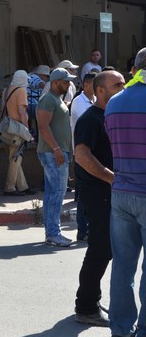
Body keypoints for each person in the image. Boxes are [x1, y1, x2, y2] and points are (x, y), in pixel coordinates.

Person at [73, 70, 125, 327]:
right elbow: (82, 155)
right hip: (98, 193)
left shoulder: (110, 116)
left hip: (109, 193)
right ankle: (86, 306)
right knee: (100, 248)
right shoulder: (91, 119)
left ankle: (91, 300)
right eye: (117, 85)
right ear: (100, 90)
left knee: (105, 249)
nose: (123, 88)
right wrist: (111, 178)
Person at [105, 47, 146, 337]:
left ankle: (120, 327)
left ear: (135, 70)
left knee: (122, 264)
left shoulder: (114, 103)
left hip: (121, 192)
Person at [36, 67, 76, 247]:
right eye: (66, 81)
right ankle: (53, 233)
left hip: (56, 152)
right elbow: (43, 127)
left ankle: (52, 233)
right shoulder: (48, 100)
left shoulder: (56, 99)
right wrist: (57, 149)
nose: (69, 84)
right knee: (57, 193)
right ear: (55, 82)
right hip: (53, 153)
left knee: (54, 193)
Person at [71, 72, 97, 242]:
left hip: (95, 155)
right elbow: (91, 125)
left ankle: (90, 228)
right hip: (82, 156)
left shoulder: (93, 101)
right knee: (84, 195)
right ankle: (82, 230)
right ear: (87, 85)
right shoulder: (79, 103)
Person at [1, 70, 33, 197]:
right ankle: (9, 188)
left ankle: (23, 186)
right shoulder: (21, 91)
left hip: (6, 128)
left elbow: (2, 109)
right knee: (16, 159)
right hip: (17, 129)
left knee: (14, 158)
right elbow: (22, 112)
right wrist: (26, 130)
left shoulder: (6, 90)